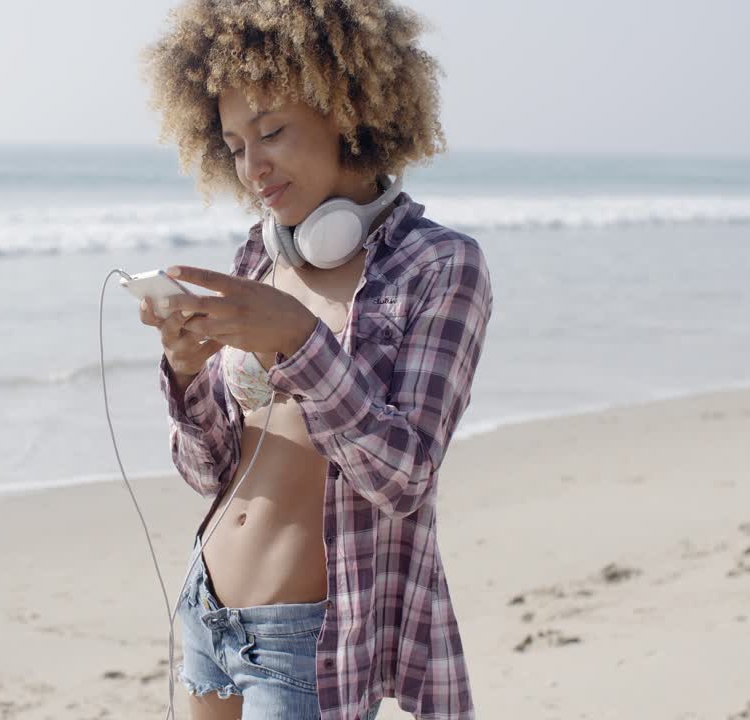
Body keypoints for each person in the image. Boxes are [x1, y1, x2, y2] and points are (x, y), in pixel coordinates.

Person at [138, 2, 493, 718]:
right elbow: (207, 471)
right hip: (206, 607)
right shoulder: (261, 258)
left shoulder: (439, 266)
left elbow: (404, 478)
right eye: (235, 145)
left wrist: (300, 341)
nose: (252, 166)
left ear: (348, 109)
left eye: (270, 132)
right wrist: (182, 375)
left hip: (304, 642)